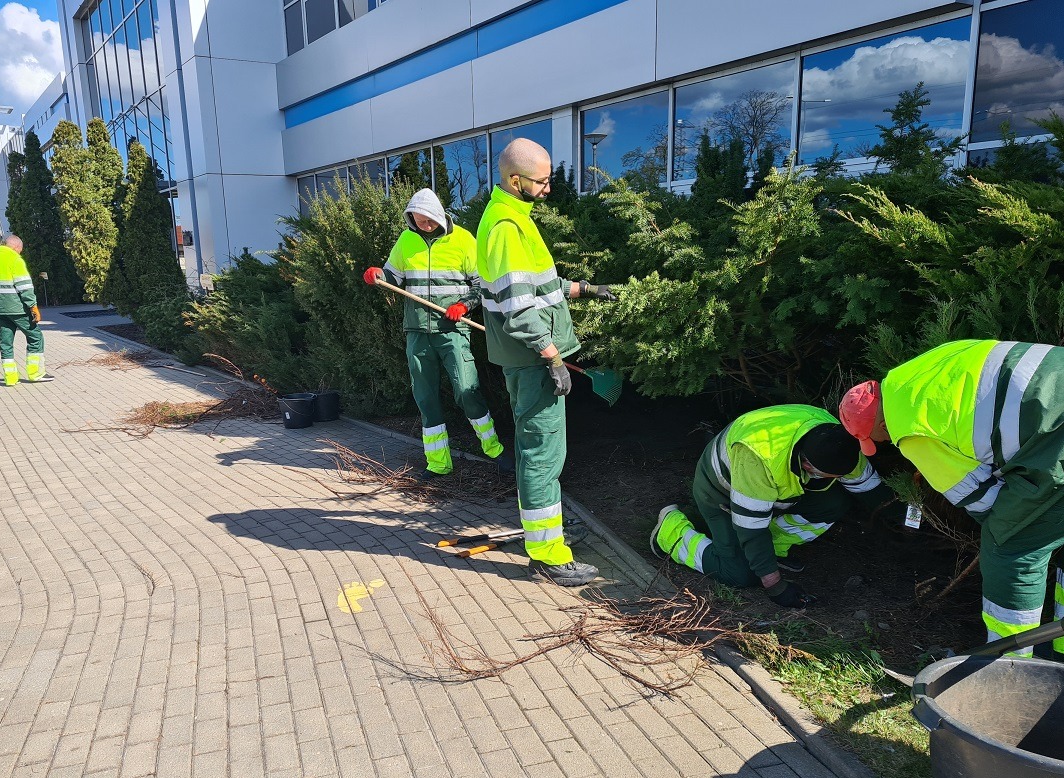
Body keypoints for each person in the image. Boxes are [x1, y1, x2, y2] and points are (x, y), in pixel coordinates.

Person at [839, 339, 1064, 658]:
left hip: (1062, 434)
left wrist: (998, 528)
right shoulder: (920, 369)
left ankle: (1011, 667)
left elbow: (979, 498)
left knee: (1009, 547)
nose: (882, 444)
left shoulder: (908, 428)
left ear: (881, 425)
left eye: (876, 439)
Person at [475, 137, 618, 587]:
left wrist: (585, 289)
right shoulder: (505, 228)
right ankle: (549, 555)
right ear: (515, 180)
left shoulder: (516, 219)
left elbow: (539, 285)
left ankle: (548, 533)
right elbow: (518, 309)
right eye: (541, 181)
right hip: (534, 362)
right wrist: (551, 355)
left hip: (532, 360)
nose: (548, 189)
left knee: (542, 449)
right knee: (542, 453)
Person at [651, 405, 890, 606]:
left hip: (774, 492)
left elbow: (869, 487)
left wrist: (908, 518)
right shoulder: (759, 459)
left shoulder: (836, 441)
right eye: (831, 476)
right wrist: (775, 586)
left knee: (834, 503)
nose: (838, 480)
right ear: (808, 466)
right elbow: (752, 529)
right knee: (741, 574)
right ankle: (671, 532)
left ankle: (772, 549)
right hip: (720, 493)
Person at [363, 188, 509, 477]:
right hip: (417, 331)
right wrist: (378, 275)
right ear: (411, 218)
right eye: (419, 221)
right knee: (425, 397)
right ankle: (439, 463)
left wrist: (464, 306)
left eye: (429, 221)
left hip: (453, 330)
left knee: (467, 391)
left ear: (439, 216)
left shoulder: (464, 240)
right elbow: (393, 276)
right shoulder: (406, 240)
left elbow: (482, 285)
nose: (425, 226)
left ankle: (495, 450)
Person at [0, 235, 51, 385]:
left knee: (5, 343)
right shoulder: (15, 260)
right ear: (16, 247)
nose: (20, 253)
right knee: (35, 337)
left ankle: (10, 378)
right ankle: (35, 373)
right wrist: (34, 307)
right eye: (20, 250)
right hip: (17, 309)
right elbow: (25, 286)